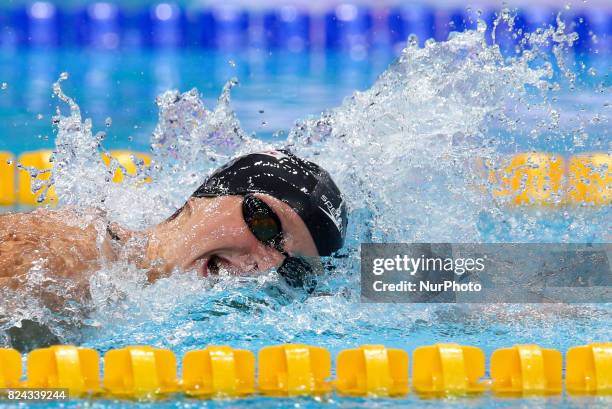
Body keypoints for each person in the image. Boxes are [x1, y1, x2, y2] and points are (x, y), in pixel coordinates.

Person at [0, 149, 348, 299]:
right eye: (266, 225)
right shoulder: (71, 251)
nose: (267, 266)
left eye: (294, 270)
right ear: (214, 192)